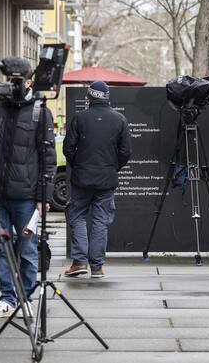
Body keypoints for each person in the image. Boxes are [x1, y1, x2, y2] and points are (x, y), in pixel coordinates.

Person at [0, 58, 56, 319]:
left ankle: (26, 297)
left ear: (30, 81)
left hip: (26, 195)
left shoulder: (40, 112)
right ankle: (7, 298)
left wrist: (44, 194)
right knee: (1, 246)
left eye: (19, 79)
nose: (14, 84)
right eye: (10, 79)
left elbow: (48, 156)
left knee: (28, 249)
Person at [62, 81, 132, 278]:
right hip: (107, 180)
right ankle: (97, 267)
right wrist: (112, 167)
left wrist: (79, 166)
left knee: (76, 216)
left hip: (82, 179)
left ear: (89, 97)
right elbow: (126, 151)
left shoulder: (80, 118)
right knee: (101, 221)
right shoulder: (119, 119)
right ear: (107, 96)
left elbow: (68, 148)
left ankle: (79, 262)